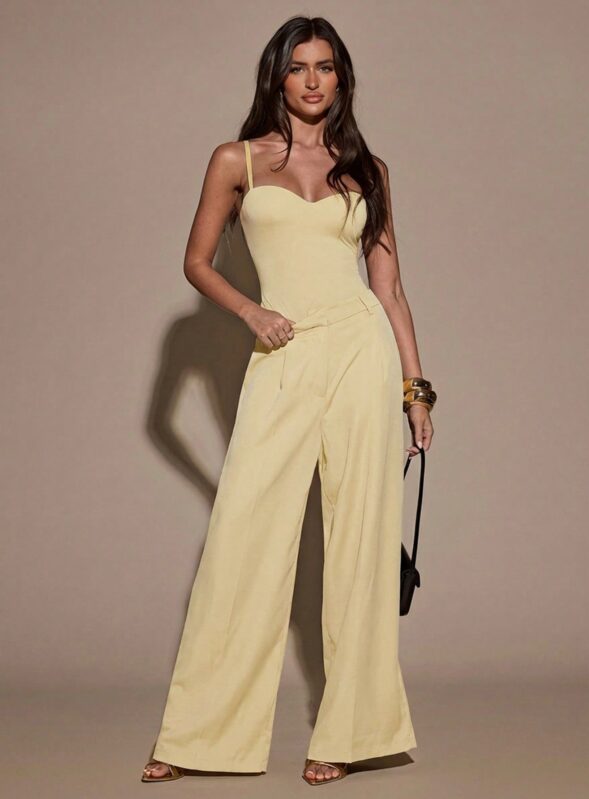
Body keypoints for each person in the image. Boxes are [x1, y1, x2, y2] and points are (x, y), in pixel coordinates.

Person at [141, 14, 436, 787]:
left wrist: (416, 390)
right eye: (298, 66)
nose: (312, 80)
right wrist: (250, 312)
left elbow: (390, 288)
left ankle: (352, 733)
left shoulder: (368, 169)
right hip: (282, 353)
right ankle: (199, 736)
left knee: (362, 544)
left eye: (325, 66)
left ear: (342, 78)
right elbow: (196, 261)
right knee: (242, 539)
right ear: (277, 76)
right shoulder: (236, 159)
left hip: (361, 356)